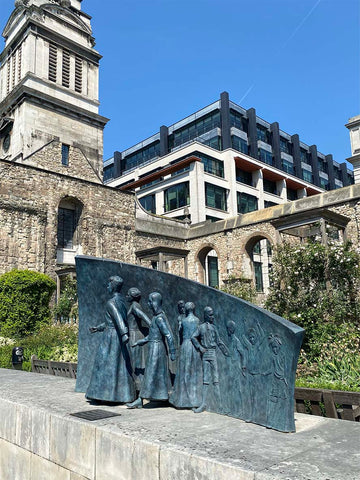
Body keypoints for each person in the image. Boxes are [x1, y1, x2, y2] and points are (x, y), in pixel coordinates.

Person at [86, 276, 135, 403]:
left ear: (113, 286)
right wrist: (98, 328)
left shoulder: (111, 302)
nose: (107, 287)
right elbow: (112, 321)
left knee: (104, 364)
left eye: (108, 285)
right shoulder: (121, 301)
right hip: (117, 335)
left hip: (111, 337)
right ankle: (120, 395)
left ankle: (103, 395)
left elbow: (118, 319)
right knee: (119, 366)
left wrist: (124, 334)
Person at [127, 292, 176, 408]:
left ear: (155, 303)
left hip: (157, 350)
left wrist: (172, 352)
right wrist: (139, 342)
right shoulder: (156, 317)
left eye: (150, 301)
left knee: (150, 373)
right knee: (159, 374)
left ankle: (141, 399)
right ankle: (163, 396)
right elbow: (151, 336)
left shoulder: (159, 318)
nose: (148, 304)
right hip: (154, 347)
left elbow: (168, 335)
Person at [191, 306, 229, 413]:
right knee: (206, 380)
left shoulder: (214, 328)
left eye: (213, 314)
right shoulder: (201, 327)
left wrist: (226, 352)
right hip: (205, 354)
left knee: (216, 380)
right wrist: (200, 347)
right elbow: (193, 337)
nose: (213, 317)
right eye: (211, 315)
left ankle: (220, 405)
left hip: (213, 354)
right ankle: (203, 404)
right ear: (206, 315)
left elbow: (219, 341)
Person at [170, 301, 202, 409]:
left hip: (185, 345)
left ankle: (182, 399)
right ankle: (194, 400)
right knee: (193, 372)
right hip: (193, 346)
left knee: (184, 371)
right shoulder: (197, 320)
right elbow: (199, 335)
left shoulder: (183, 321)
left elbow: (180, 333)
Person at [126, 287, 151, 390]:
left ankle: (138, 391)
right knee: (134, 364)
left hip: (134, 335)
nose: (126, 296)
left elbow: (145, 319)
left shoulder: (135, 307)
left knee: (135, 364)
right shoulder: (135, 305)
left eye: (128, 295)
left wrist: (152, 327)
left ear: (132, 297)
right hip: (134, 334)